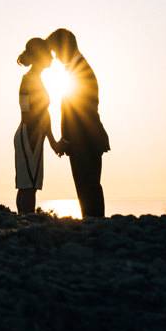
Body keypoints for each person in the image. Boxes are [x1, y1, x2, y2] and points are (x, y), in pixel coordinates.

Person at [46, 28, 109, 218]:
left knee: (87, 186)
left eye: (56, 52)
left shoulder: (80, 72)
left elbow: (78, 112)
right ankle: (93, 222)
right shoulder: (77, 69)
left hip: (85, 140)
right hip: (85, 139)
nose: (56, 58)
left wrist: (65, 140)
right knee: (87, 187)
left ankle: (94, 223)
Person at [14, 37, 67, 215]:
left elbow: (41, 115)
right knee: (28, 186)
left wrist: (51, 141)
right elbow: (30, 114)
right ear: (39, 55)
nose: (52, 57)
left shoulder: (34, 79)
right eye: (48, 54)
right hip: (29, 136)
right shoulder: (29, 79)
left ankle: (24, 220)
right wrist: (51, 141)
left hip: (31, 135)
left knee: (27, 185)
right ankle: (25, 221)